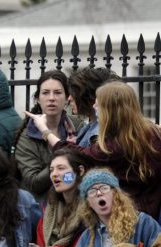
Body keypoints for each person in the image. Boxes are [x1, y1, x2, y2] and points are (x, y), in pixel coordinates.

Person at [29, 81, 161, 218]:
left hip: (127, 218)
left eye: (98, 104)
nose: (94, 106)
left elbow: (77, 154)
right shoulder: (151, 133)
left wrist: (44, 130)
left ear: (110, 110)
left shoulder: (114, 147)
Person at [14, 70, 82, 199]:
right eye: (45, 93)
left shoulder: (77, 126)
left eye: (57, 92)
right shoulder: (27, 135)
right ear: (38, 99)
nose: (51, 98)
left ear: (67, 98)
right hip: (42, 207)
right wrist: (63, 151)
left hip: (75, 202)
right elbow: (34, 183)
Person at [35, 148, 90, 247]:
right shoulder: (47, 207)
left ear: (81, 170)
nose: (54, 174)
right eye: (51, 170)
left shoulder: (92, 209)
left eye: (61, 168)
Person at [67, 67, 120, 147]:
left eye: (74, 93)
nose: (69, 98)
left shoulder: (101, 133)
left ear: (89, 95)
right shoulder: (91, 126)